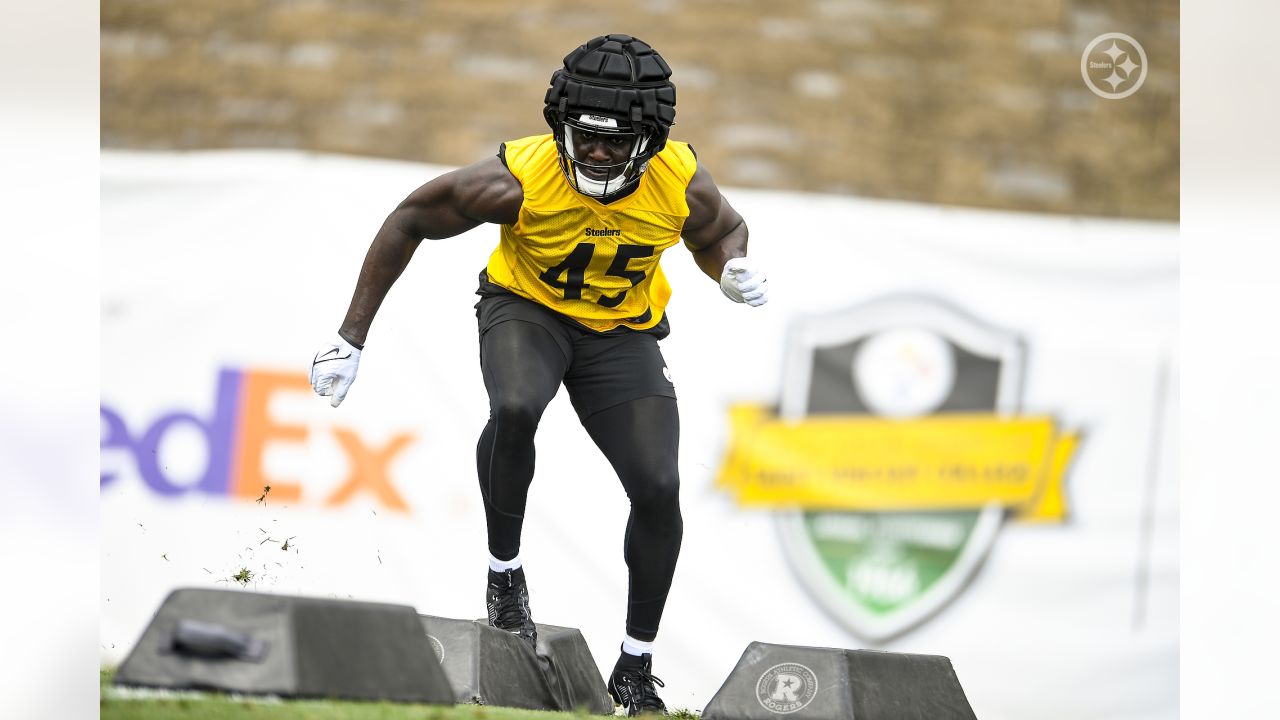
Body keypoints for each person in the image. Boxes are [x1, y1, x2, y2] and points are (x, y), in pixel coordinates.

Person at [309, 34, 768, 716]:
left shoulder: (680, 179)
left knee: (659, 482)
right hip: (528, 311)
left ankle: (636, 667)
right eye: (585, 138)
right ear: (562, 127)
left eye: (616, 143)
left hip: (622, 333)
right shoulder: (520, 178)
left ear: (651, 142)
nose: (598, 154)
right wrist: (352, 335)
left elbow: (722, 232)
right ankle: (504, 576)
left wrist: (729, 269)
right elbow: (410, 217)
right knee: (518, 406)